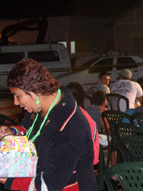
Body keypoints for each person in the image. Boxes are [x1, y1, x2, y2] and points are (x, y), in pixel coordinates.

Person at [0, 59, 97, 191]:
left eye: (17, 96)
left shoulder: (68, 128)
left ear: (34, 92)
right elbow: (31, 131)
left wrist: (10, 181)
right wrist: (12, 132)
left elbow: (49, 184)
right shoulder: (39, 106)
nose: (16, 102)